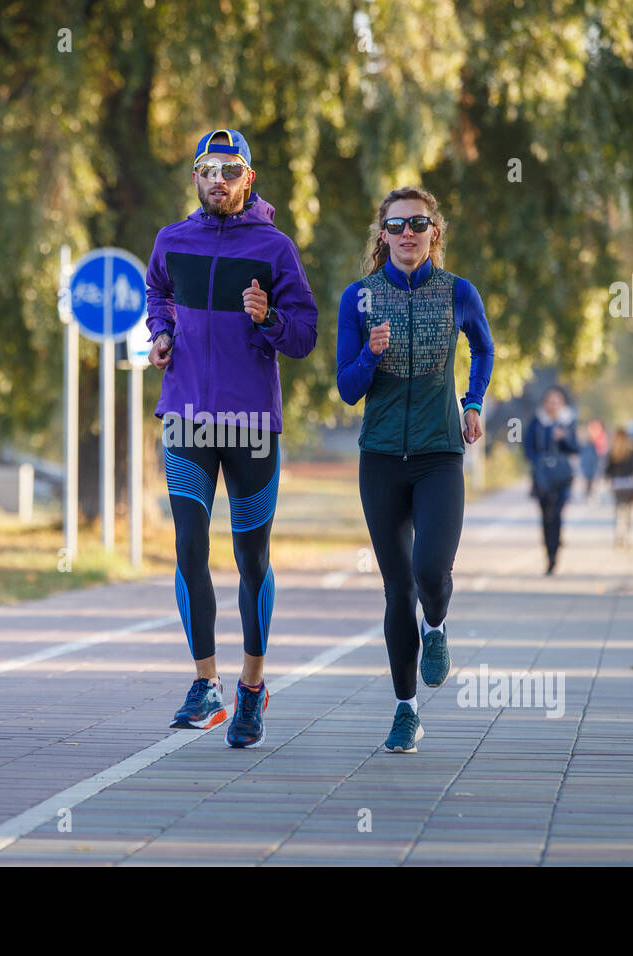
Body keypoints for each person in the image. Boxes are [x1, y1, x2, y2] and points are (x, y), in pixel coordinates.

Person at [144, 128, 318, 748]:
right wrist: (161, 334)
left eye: (230, 169)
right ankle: (205, 685)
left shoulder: (275, 249)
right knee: (189, 544)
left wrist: (266, 317)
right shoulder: (172, 240)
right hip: (186, 416)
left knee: (251, 562)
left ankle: (252, 686)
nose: (217, 179)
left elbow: (304, 334)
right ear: (195, 176)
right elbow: (158, 292)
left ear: (249, 179)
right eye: (207, 169)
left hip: (250, 425)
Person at [336, 185, 494, 753]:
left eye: (419, 225)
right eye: (397, 226)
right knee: (397, 586)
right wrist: (369, 354)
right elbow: (348, 389)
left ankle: (438, 626)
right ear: (383, 235)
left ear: (434, 234)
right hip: (379, 458)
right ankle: (406, 710)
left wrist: (472, 402)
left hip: (438, 455)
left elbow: (484, 347)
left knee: (431, 569)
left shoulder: (457, 291)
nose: (408, 234)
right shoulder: (358, 298)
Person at [524, 387, 580, 574]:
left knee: (557, 513)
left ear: (562, 404)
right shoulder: (537, 422)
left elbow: (575, 448)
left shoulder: (569, 423)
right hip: (543, 477)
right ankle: (549, 553)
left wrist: (564, 439)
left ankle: (555, 551)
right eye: (550, 401)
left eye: (557, 402)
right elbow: (528, 447)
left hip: (562, 477)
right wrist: (537, 462)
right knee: (546, 516)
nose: (553, 405)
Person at [605, 427, 633, 549]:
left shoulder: (613, 452)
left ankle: (618, 538)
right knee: (629, 513)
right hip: (629, 484)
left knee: (618, 512)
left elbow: (608, 470)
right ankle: (628, 538)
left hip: (617, 484)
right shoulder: (632, 452)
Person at [579, 424, 600, 502]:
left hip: (590, 467)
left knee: (590, 482)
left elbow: (595, 457)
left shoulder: (592, 447)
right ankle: (587, 494)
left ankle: (589, 494)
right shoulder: (584, 447)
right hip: (587, 467)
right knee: (587, 482)